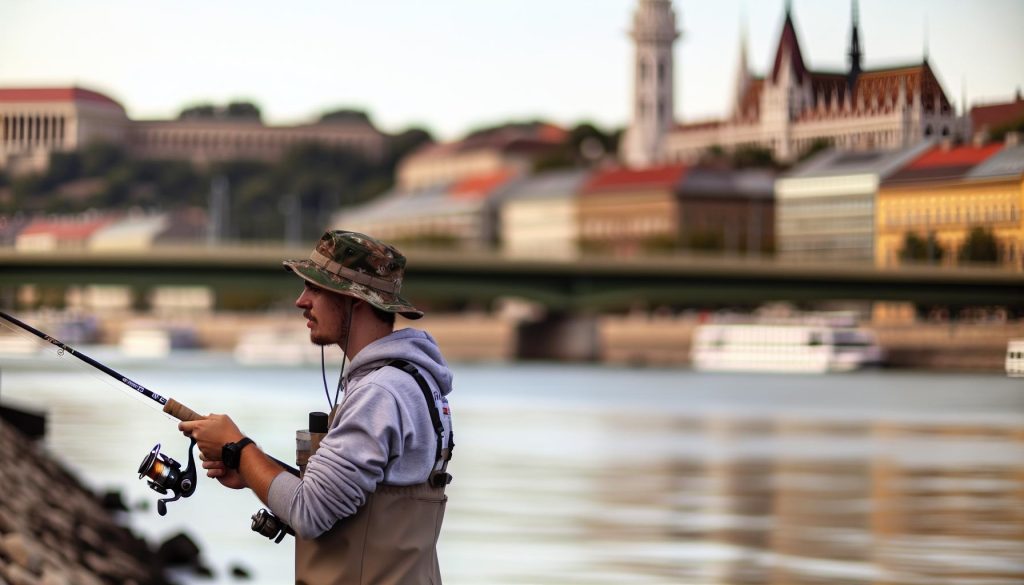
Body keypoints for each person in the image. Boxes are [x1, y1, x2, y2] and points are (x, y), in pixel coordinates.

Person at [179, 230, 454, 585]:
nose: (301, 301)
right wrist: (251, 473)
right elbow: (340, 500)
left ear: (356, 299)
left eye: (316, 288)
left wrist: (240, 448)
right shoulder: (411, 383)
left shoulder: (379, 393)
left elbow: (309, 512)